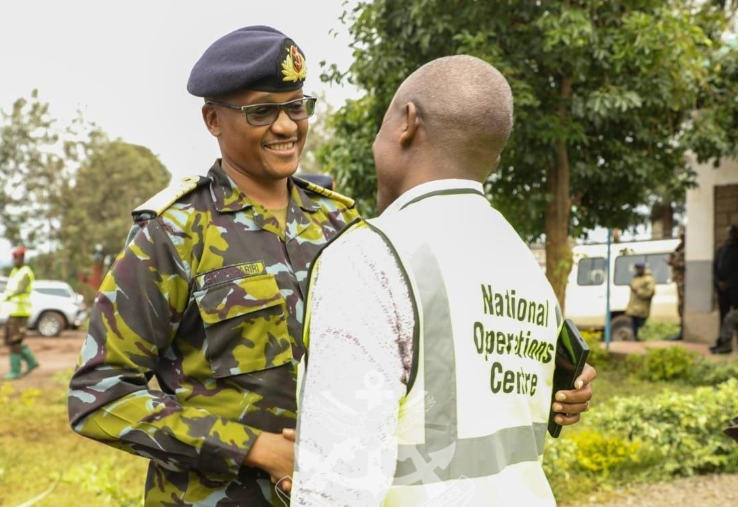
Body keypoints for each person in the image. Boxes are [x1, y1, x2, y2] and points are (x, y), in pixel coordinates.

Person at [67, 26, 360, 506]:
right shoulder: (173, 233)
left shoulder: (342, 224)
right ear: (213, 120)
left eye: (296, 106)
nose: (287, 126)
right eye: (262, 111)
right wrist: (256, 449)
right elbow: (98, 393)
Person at [291, 55, 597, 507]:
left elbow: (337, 487)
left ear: (407, 123)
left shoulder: (371, 254)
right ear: (494, 156)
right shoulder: (521, 260)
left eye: (381, 125)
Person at [2, 246, 39, 380]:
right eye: (14, 257)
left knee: (15, 340)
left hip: (21, 313)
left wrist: (8, 296)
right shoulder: (14, 272)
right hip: (13, 312)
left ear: (22, 258)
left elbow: (20, 289)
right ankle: (31, 361)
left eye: (17, 257)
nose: (14, 260)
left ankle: (16, 370)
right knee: (9, 340)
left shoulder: (26, 272)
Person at [712, 225, 738, 353]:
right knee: (723, 317)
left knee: (734, 317)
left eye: (733, 233)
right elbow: (715, 268)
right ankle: (723, 344)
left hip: (735, 291)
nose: (731, 235)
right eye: (729, 233)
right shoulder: (721, 249)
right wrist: (718, 283)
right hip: (722, 291)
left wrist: (729, 283)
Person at [625, 262, 656, 341]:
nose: (637, 270)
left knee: (641, 328)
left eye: (639, 268)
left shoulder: (649, 279)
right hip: (634, 309)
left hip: (642, 310)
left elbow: (650, 293)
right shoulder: (636, 278)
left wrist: (638, 291)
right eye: (637, 269)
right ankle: (636, 343)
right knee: (635, 330)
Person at [667, 229, 685, 340]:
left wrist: (675, 263)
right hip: (679, 280)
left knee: (682, 306)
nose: (681, 238)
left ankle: (683, 332)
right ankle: (682, 330)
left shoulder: (689, 247)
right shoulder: (680, 247)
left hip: (684, 281)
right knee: (680, 307)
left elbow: (686, 263)